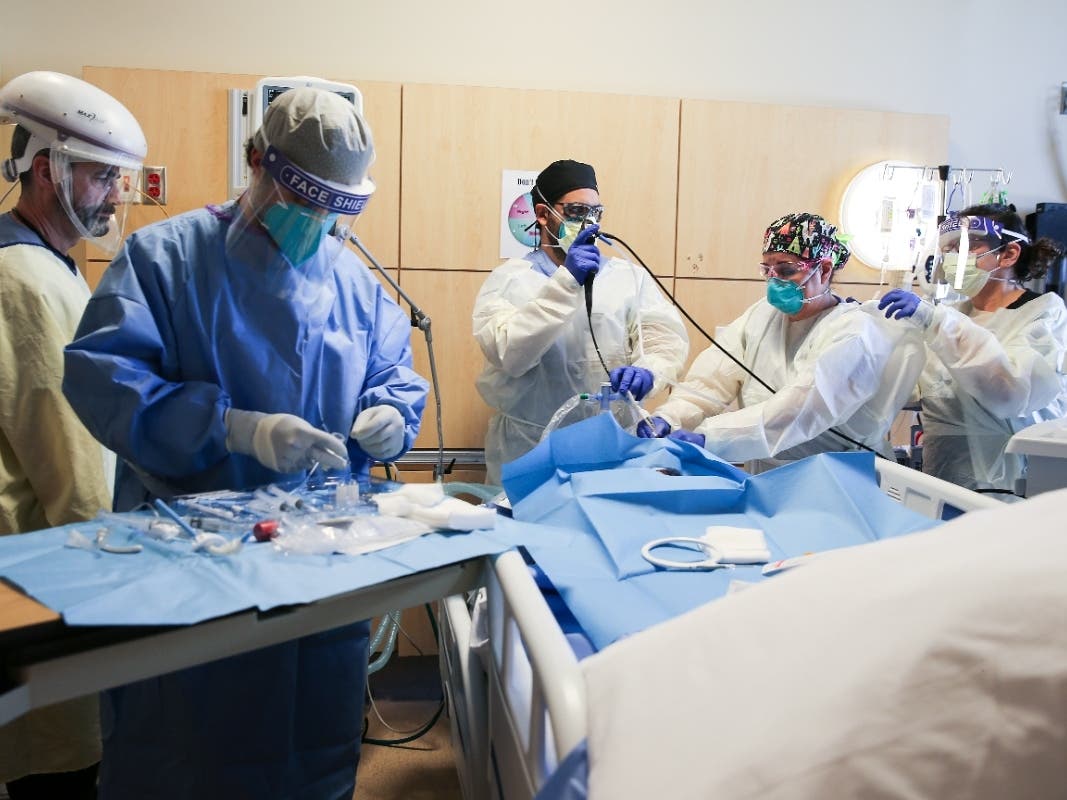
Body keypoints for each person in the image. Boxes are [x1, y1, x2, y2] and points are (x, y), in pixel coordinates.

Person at [63, 87, 429, 798]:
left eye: (334, 208)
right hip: (191, 571)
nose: (316, 223)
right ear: (256, 160)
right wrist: (232, 428)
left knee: (309, 748)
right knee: (184, 752)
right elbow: (103, 380)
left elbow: (393, 372)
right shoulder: (165, 260)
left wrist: (390, 411)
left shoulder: (353, 282)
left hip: (319, 574)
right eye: (303, 201)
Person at [0, 70, 147, 800]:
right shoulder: (26, 279)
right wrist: (114, 592)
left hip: (33, 572)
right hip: (41, 582)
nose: (117, 195)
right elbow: (75, 464)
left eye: (119, 178)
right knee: (55, 768)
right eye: (100, 176)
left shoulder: (43, 265)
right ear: (43, 170)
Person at [638, 212, 924, 473]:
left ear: (824, 270)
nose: (774, 281)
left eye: (786, 270)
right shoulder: (763, 315)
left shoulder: (854, 332)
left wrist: (708, 437)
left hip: (834, 477)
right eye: (768, 270)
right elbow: (711, 381)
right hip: (768, 473)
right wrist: (667, 418)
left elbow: (799, 410)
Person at [473, 159, 689, 484]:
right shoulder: (511, 281)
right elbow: (511, 353)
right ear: (543, 214)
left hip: (611, 450)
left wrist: (649, 372)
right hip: (531, 450)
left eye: (595, 212)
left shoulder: (628, 277)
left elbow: (664, 341)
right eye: (576, 212)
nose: (589, 222)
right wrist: (567, 281)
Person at [878, 204, 1067, 496]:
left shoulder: (1042, 313)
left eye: (968, 245)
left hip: (1008, 484)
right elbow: (915, 385)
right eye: (950, 248)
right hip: (942, 478)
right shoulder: (951, 317)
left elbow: (1010, 392)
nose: (954, 258)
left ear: (1008, 253)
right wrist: (866, 335)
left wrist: (935, 320)